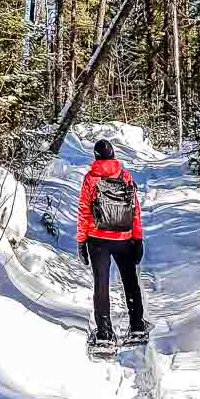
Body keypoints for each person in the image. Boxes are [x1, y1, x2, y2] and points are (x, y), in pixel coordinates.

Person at [76, 138, 147, 346]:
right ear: (113, 154)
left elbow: (83, 213)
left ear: (96, 157)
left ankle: (105, 334)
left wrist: (81, 242)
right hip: (124, 238)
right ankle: (136, 327)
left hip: (97, 240)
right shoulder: (125, 176)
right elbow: (135, 210)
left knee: (102, 284)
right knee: (130, 280)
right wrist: (138, 238)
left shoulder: (90, 179)